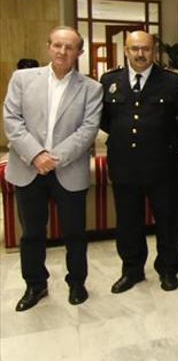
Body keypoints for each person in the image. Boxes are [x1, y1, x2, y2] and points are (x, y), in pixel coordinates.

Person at [3, 26, 102, 311]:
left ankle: (77, 283)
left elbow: (88, 130)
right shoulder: (22, 79)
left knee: (75, 233)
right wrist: (36, 156)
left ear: (79, 53)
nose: (62, 51)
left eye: (69, 47)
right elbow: (12, 120)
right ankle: (35, 285)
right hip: (27, 167)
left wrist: (52, 158)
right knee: (32, 233)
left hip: (69, 170)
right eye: (57, 45)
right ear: (48, 47)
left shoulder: (92, 88)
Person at [100, 30, 178, 294]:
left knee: (168, 219)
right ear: (126, 51)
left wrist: (166, 138)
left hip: (161, 163)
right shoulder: (110, 80)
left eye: (145, 49)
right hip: (123, 164)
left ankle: (168, 269)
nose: (140, 54)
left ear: (154, 51)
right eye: (134, 49)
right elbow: (104, 118)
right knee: (127, 221)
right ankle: (131, 270)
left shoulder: (172, 81)